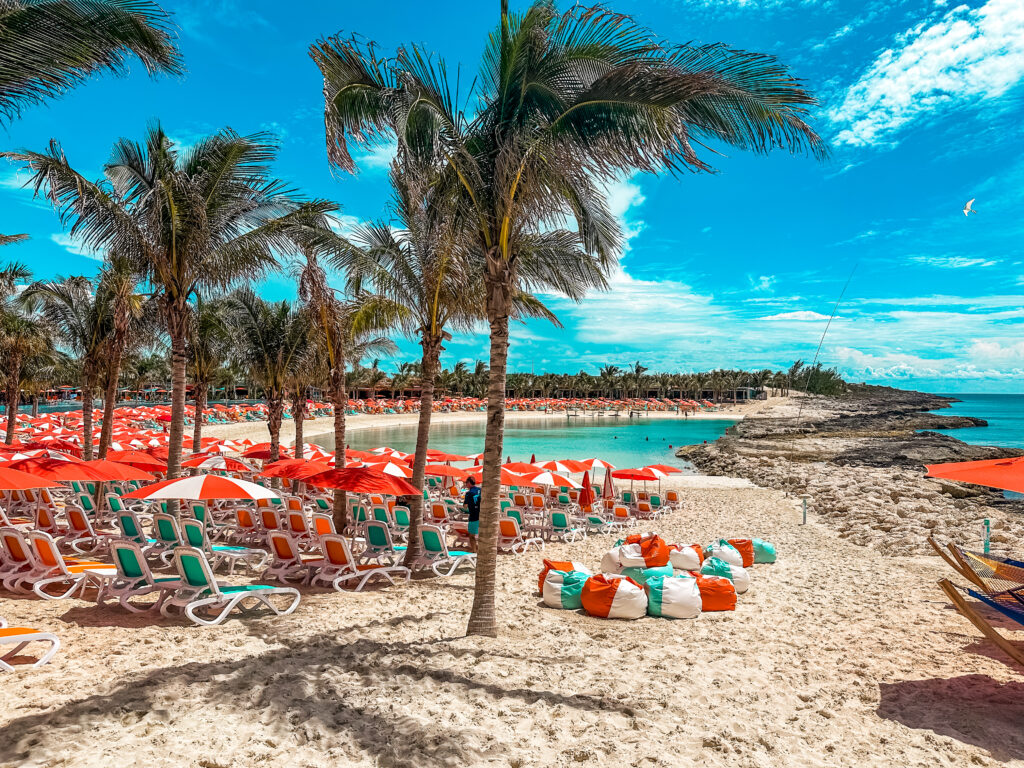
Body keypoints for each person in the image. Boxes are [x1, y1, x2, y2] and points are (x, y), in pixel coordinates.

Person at [463, 477, 482, 553]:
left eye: (466, 483)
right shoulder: (480, 490)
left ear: (469, 483)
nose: (465, 484)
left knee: (471, 536)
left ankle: (474, 551)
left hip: (474, 516)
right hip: (482, 515)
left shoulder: (468, 493)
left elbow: (465, 506)